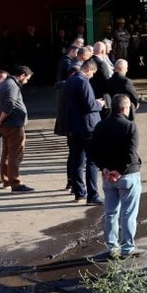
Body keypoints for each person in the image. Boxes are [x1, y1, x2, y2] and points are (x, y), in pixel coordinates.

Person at [91, 94, 144, 259]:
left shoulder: (100, 126)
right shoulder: (130, 127)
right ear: (124, 108)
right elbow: (130, 153)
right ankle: (128, 248)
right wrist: (119, 171)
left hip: (108, 178)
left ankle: (112, 248)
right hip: (127, 175)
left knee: (111, 213)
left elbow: (93, 151)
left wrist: (105, 169)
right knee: (129, 213)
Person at [62, 58, 105, 204]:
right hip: (87, 127)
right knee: (91, 162)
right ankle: (92, 195)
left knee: (77, 161)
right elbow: (89, 104)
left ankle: (79, 193)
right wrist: (99, 103)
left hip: (74, 126)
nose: (92, 76)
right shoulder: (83, 81)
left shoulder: (69, 81)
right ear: (88, 69)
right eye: (93, 72)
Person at [0, 65, 34, 192]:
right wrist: (0, 119)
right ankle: (15, 182)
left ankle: (6, 180)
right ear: (22, 75)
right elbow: (10, 104)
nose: (26, 81)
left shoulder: (4, 84)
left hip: (7, 125)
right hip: (13, 125)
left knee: (6, 153)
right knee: (15, 155)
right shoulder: (12, 85)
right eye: (27, 79)